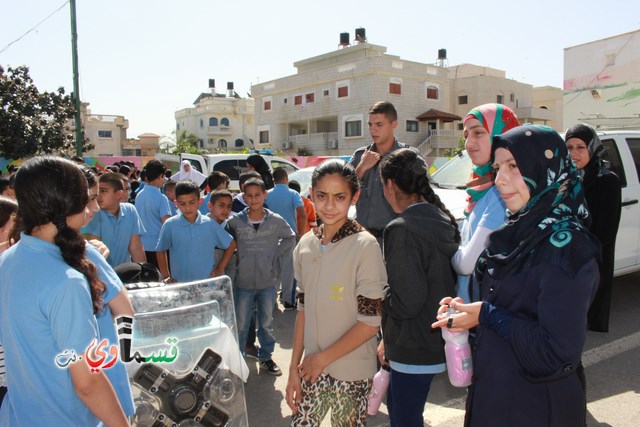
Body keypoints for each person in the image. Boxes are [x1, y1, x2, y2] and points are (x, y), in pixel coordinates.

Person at [432, 126, 600, 427]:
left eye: (514, 166)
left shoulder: (567, 249)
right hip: (495, 395)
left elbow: (554, 354)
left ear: (545, 168)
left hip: (536, 407)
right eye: (497, 168)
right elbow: (508, 308)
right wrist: (467, 315)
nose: (500, 179)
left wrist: (485, 314)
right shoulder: (513, 235)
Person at [0, 156, 129, 426]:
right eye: (84, 196)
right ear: (66, 203)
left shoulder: (8, 260)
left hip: (19, 414)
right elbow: (88, 382)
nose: (90, 205)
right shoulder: (66, 280)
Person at [285, 159, 386, 426]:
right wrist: (294, 369)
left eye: (339, 197)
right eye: (322, 196)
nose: (329, 206)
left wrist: (322, 359)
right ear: (311, 195)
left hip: (351, 370)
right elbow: (303, 311)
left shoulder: (366, 246)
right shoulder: (306, 245)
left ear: (355, 197)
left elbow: (369, 322)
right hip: (310, 369)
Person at [378, 149, 460, 426]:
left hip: (411, 344)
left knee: (403, 418)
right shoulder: (440, 219)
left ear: (390, 185)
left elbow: (407, 301)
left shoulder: (400, 228)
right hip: (435, 339)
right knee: (409, 414)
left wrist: (379, 295)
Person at [452, 103, 520, 303]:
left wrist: (445, 246)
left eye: (479, 132)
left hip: (485, 312)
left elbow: (466, 264)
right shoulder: (482, 187)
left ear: (501, 134)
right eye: (466, 135)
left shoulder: (502, 193)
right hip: (470, 307)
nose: (469, 143)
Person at [227, 178, 295, 376]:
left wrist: (275, 258)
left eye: (258, 194)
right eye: (249, 195)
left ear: (265, 195)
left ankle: (266, 357)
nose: (253, 199)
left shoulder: (275, 221)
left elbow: (290, 237)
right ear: (243, 196)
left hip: (267, 282)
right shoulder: (235, 222)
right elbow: (225, 245)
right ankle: (238, 359)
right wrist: (235, 258)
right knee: (241, 324)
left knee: (266, 324)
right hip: (243, 282)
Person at [565, 124, 622, 332]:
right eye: (569, 147)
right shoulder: (567, 179)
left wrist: (578, 250)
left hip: (591, 255)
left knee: (585, 309)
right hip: (566, 251)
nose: (573, 153)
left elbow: (605, 230)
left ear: (592, 147)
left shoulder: (607, 181)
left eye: (580, 147)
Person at [349, 101, 412, 244]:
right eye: (370, 125)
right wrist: (361, 168)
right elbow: (343, 193)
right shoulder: (360, 156)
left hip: (395, 241)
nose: (373, 130)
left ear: (394, 124)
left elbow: (420, 202)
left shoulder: (409, 157)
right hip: (361, 240)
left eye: (379, 125)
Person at [156, 180, 236, 283]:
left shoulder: (210, 224)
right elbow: (160, 250)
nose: (188, 207)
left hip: (206, 285)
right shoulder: (170, 224)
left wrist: (220, 268)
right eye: (182, 204)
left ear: (200, 201)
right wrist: (166, 276)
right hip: (180, 284)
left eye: (192, 202)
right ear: (176, 203)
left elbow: (231, 245)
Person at [82, 172, 147, 267]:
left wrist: (144, 272)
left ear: (119, 194)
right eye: (97, 192)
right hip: (101, 275)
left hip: (124, 276)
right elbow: (95, 253)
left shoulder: (130, 210)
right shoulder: (93, 213)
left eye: (103, 191)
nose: (98, 196)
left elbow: (136, 248)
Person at [268, 167, 308, 310]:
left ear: (274, 180)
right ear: (286, 178)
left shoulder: (267, 194)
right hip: (289, 236)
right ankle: (289, 301)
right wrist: (300, 233)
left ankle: (270, 301)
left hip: (270, 237)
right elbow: (302, 215)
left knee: (272, 269)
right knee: (289, 270)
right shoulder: (293, 194)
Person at [135, 160, 173, 269]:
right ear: (161, 176)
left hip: (141, 247)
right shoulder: (161, 198)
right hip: (158, 247)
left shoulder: (139, 195)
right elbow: (167, 223)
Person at [207, 189, 237, 282]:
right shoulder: (200, 225)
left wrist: (220, 268)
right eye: (221, 205)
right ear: (210, 206)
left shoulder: (230, 229)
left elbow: (232, 262)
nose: (226, 210)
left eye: (229, 206)